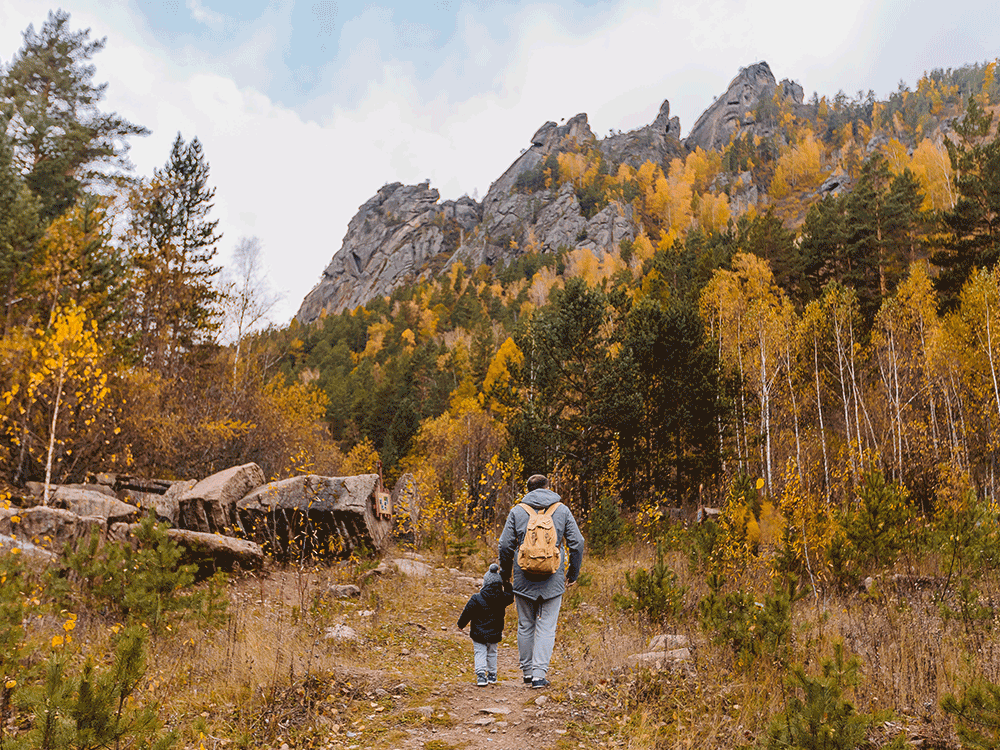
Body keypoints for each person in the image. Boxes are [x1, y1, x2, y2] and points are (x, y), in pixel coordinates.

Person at [498, 474, 584, 689]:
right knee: (546, 627)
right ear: (548, 487)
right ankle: (539, 675)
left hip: (523, 577)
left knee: (525, 625)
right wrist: (572, 574)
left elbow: (505, 545)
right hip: (553, 578)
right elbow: (577, 543)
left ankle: (527, 673)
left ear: (528, 490)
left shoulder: (518, 511)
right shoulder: (561, 510)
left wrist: (505, 574)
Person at [457, 563, 514, 686]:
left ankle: (481, 676)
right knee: (492, 653)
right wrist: (506, 583)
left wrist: (461, 625)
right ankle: (492, 675)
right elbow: (511, 597)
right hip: (494, 633)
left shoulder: (476, 598)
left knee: (480, 652)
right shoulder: (502, 597)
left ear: (485, 583)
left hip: (478, 633)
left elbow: (467, 612)